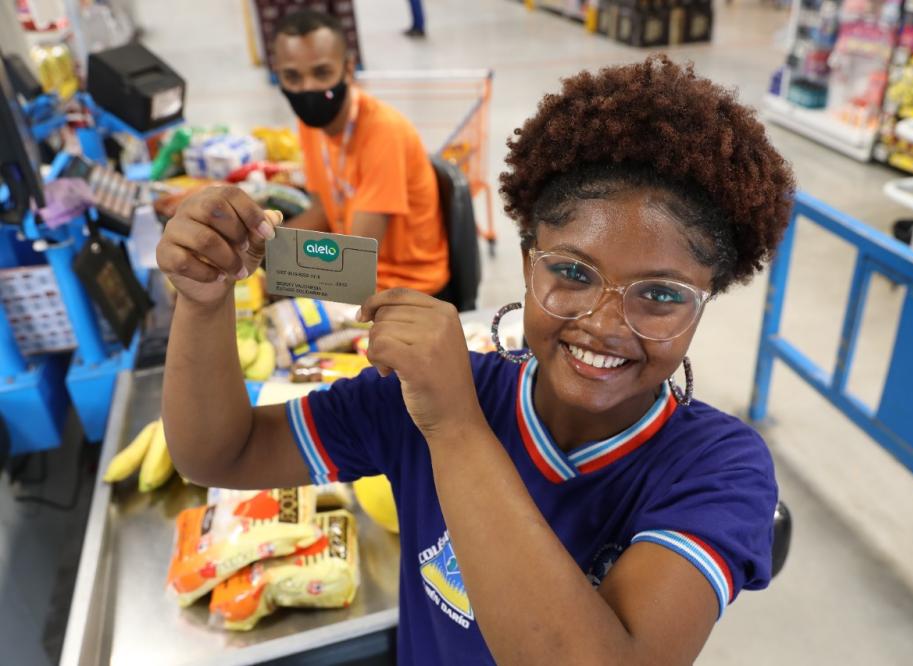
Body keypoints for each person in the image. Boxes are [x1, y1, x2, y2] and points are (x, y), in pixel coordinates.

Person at [156, 55, 795, 664]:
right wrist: (205, 302)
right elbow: (220, 453)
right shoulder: (424, 395)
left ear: (704, 303)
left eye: (660, 295)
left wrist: (456, 429)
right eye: (572, 272)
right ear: (525, 264)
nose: (603, 324)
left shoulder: (717, 468)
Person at [274, 9, 448, 296]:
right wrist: (262, 244)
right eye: (292, 76)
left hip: (405, 290)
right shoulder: (312, 127)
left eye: (322, 72)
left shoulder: (383, 133)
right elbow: (322, 212)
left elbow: (355, 260)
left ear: (348, 68)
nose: (307, 88)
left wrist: (279, 273)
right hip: (356, 276)